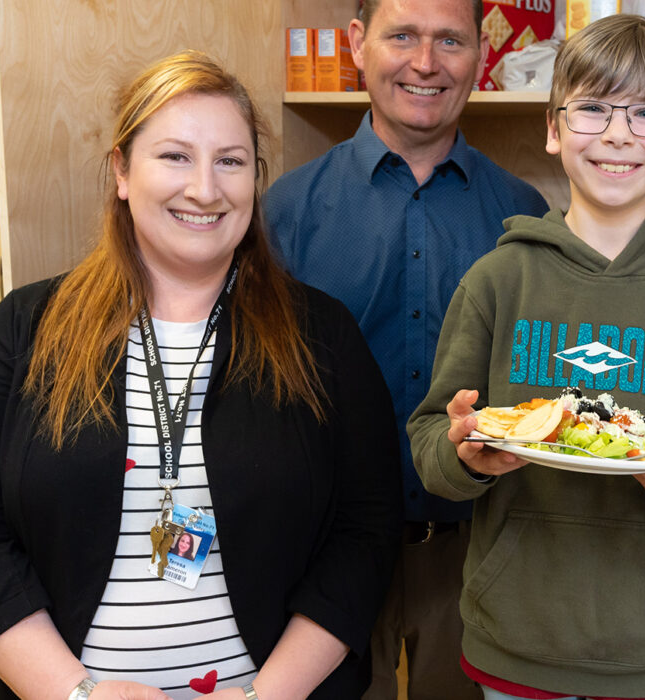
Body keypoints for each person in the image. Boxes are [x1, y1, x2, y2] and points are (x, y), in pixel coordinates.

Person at [0, 51, 401, 700]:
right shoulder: (25, 330)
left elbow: (366, 532)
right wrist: (76, 695)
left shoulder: (322, 337)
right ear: (122, 170)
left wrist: (267, 697)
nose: (205, 189)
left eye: (230, 161)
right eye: (175, 156)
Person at [408, 15, 645, 700]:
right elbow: (433, 436)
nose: (617, 134)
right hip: (516, 638)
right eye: (592, 109)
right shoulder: (497, 281)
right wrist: (463, 454)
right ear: (554, 129)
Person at [261, 1, 547, 698]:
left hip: (475, 553)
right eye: (403, 36)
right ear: (358, 44)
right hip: (322, 557)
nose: (425, 62)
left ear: (481, 54)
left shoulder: (526, 217)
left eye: (450, 40)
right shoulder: (285, 211)